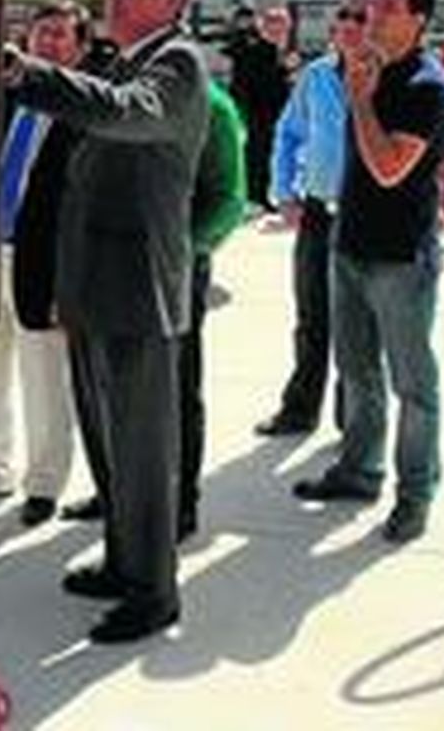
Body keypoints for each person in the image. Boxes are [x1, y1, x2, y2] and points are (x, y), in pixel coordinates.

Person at [5, 0, 211, 644]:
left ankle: (154, 591)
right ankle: (124, 562)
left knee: (143, 448)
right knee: (108, 441)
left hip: (137, 285)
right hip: (96, 283)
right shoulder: (130, 60)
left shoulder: (176, 63)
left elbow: (123, 112)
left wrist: (29, 73)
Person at [292, 0, 444, 545]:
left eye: (388, 8)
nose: (373, 18)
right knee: (357, 371)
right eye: (370, 8)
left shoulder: (426, 88)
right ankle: (359, 471)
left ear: (418, 20)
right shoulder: (364, 70)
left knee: (413, 383)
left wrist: (360, 99)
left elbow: (389, 166)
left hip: (400, 260)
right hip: (350, 246)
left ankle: (415, 494)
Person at [0, 2, 111, 527]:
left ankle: (44, 485)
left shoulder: (86, 108)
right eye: (41, 33)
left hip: (46, 266)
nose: (49, 42)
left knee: (44, 381)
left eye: (60, 35)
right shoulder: (7, 98)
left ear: (79, 46)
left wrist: (70, 283)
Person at [254, 0, 371, 437]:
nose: (346, 25)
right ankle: (299, 410)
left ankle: (353, 423)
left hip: (366, 219)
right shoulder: (317, 76)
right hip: (319, 213)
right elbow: (287, 135)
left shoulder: (390, 78)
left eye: (358, 17)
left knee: (358, 327)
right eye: (342, 15)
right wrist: (284, 193)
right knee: (311, 318)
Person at [175, 75, 247, 540]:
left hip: (178, 266)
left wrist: (187, 250)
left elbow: (229, 199)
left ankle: (181, 504)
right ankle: (117, 492)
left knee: (178, 391)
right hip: (129, 269)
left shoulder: (211, 105)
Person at [224, 4, 296, 213]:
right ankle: (256, 196)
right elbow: (256, 81)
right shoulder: (256, 49)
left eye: (283, 25)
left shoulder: (275, 50)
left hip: (273, 111)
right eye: (274, 24)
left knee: (270, 153)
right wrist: (284, 70)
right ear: (264, 26)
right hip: (259, 111)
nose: (280, 30)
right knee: (259, 153)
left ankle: (264, 195)